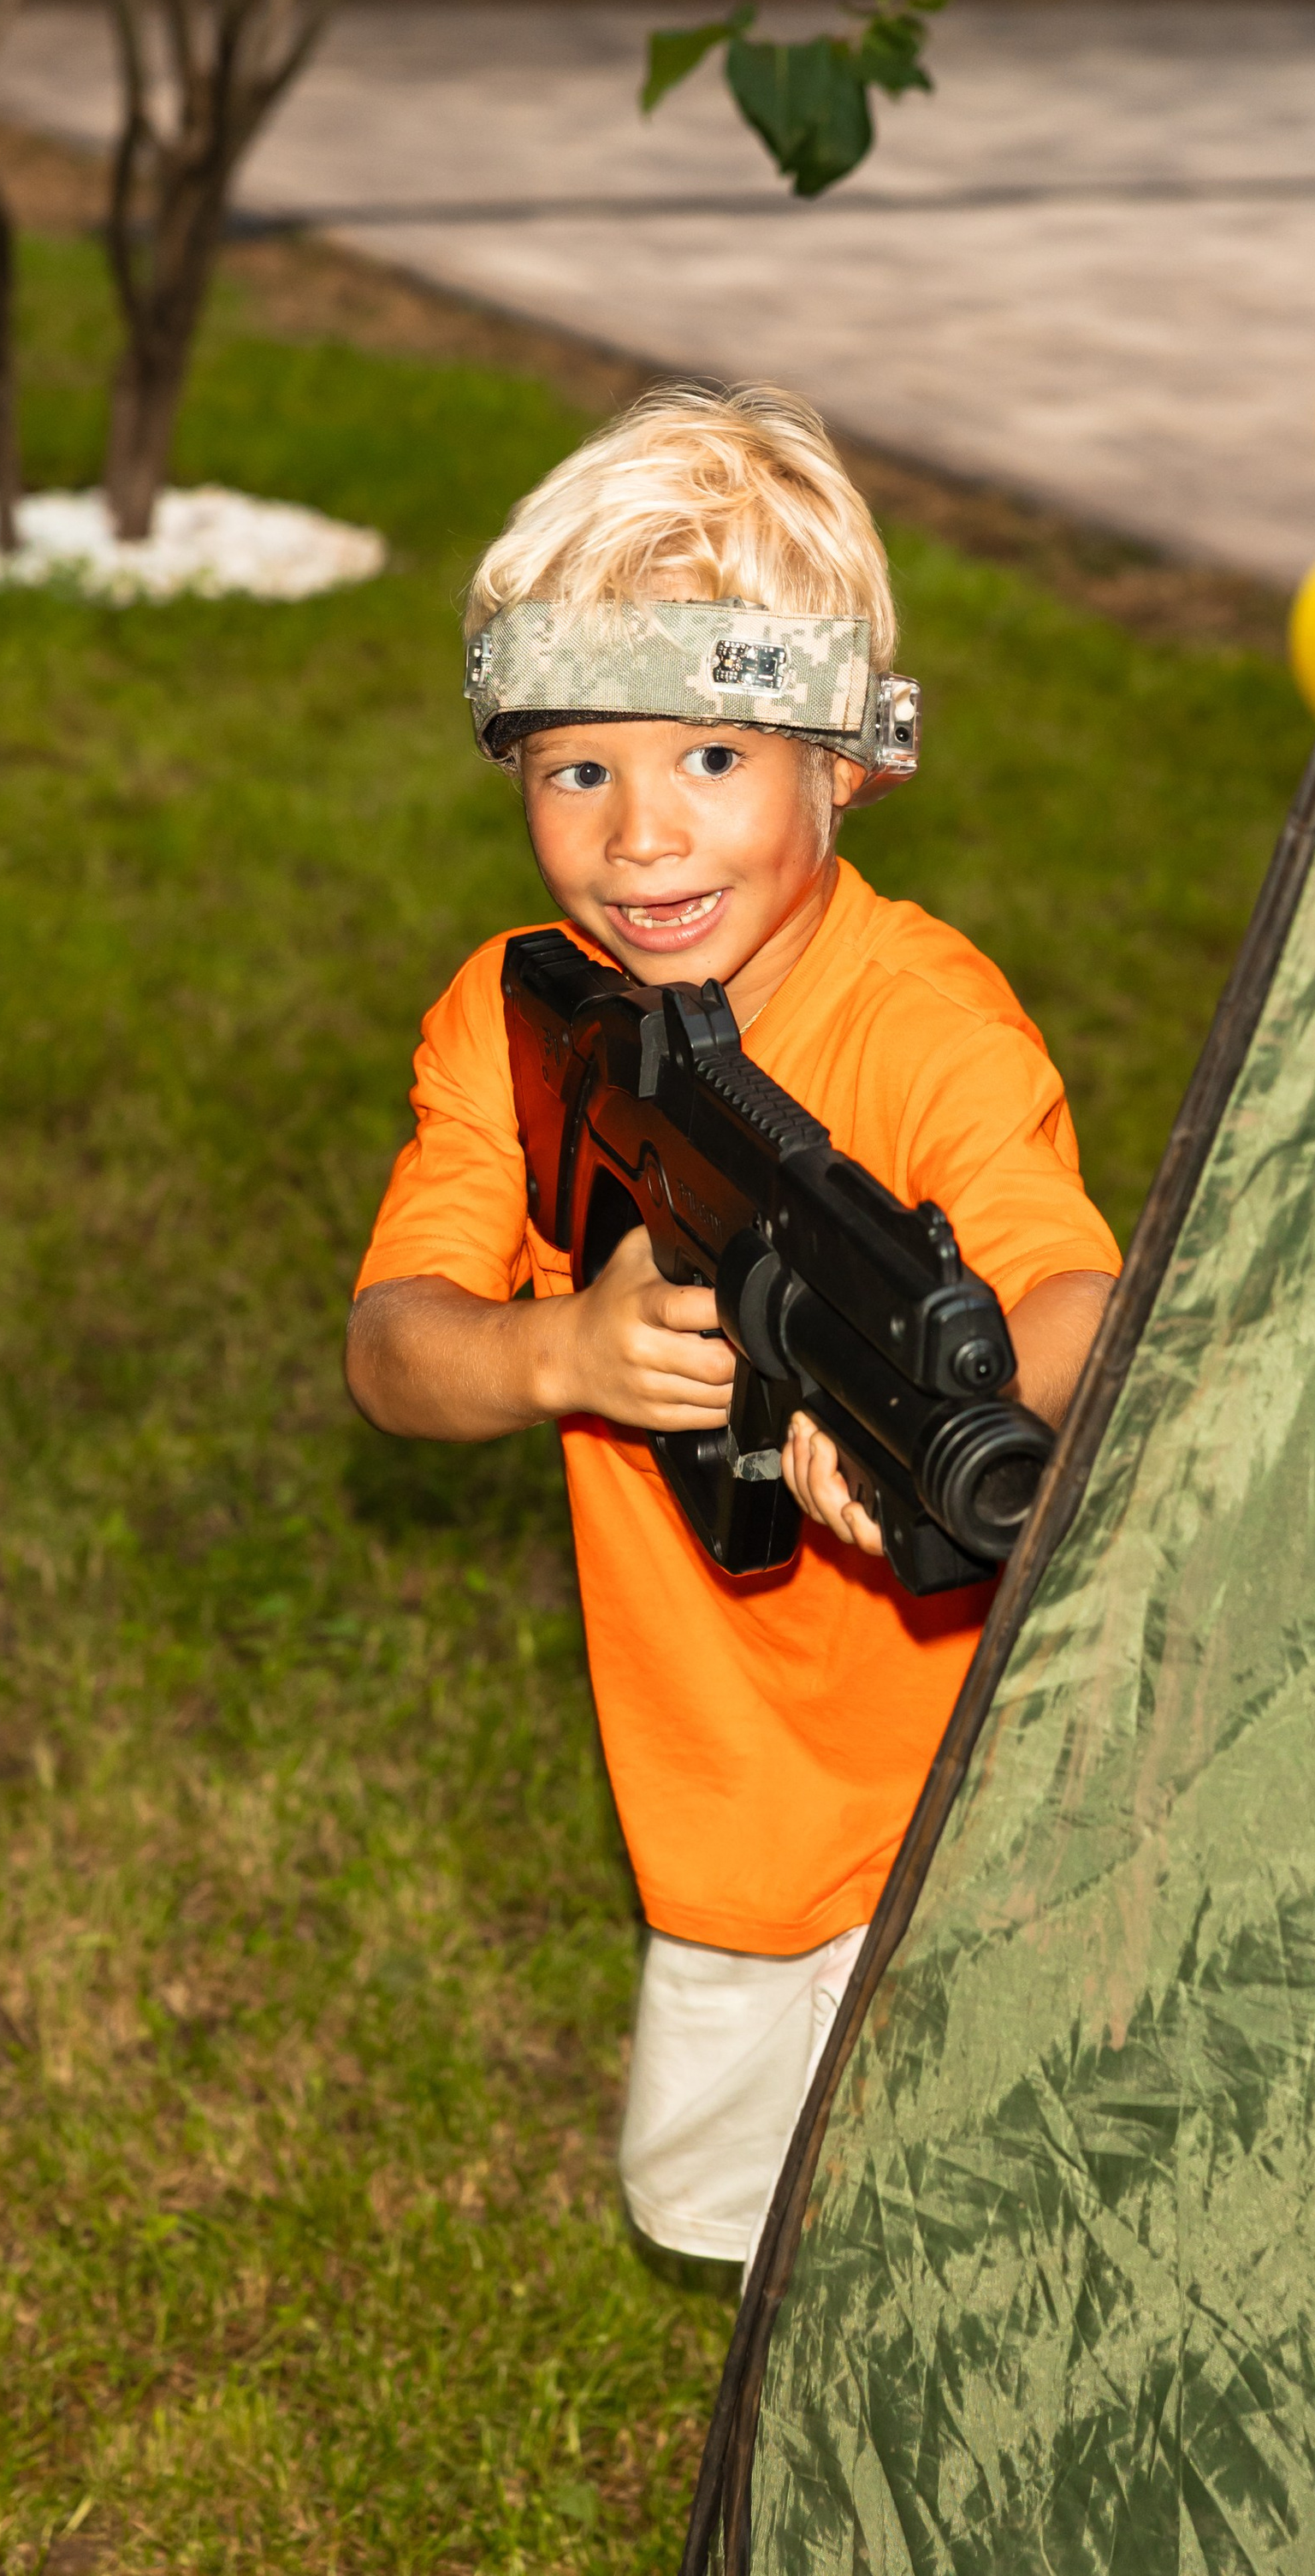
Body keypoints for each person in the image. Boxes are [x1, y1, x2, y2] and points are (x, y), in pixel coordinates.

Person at [344, 379, 1119, 2264]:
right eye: (573, 769)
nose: (635, 837)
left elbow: (1076, 1299)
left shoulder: (928, 1021)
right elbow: (391, 1350)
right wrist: (559, 1353)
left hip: (971, 1779)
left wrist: (908, 1423)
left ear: (843, 764)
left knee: (986, 2216)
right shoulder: (512, 1014)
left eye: (710, 759)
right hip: (725, 1807)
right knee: (724, 2231)